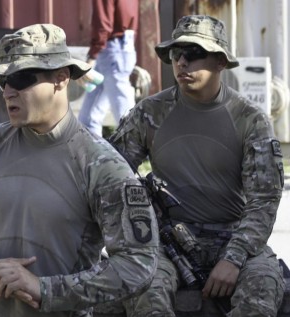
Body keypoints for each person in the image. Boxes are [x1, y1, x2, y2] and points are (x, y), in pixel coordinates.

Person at [0, 23, 159, 317]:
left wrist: (45, 290)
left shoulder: (101, 165)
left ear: (61, 78)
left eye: (20, 78)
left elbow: (139, 262)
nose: (7, 92)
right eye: (2, 81)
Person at [109, 15, 285, 316]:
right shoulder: (150, 112)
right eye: (177, 54)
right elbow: (109, 174)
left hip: (234, 236)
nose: (182, 63)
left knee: (262, 289)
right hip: (165, 240)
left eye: (193, 54)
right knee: (144, 288)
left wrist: (234, 258)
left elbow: (264, 200)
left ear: (220, 62)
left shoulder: (249, 119)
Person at [77, 0, 138, 137]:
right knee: (90, 116)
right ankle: (91, 152)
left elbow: (103, 24)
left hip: (111, 49)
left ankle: (136, 147)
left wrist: (92, 56)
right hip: (123, 46)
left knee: (123, 109)